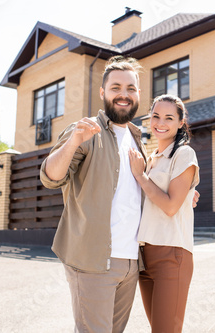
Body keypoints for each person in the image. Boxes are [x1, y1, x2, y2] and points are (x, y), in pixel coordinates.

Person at [40, 56, 146, 333]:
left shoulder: (138, 138)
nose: (124, 94)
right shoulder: (86, 131)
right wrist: (74, 140)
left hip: (131, 261)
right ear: (103, 93)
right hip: (93, 261)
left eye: (131, 88)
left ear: (138, 93)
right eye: (116, 87)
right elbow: (51, 176)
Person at [128, 94, 200, 333]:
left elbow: (170, 206)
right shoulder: (151, 160)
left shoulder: (184, 154)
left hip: (172, 255)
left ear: (181, 122)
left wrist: (141, 177)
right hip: (144, 256)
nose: (160, 122)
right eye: (156, 116)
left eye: (169, 118)